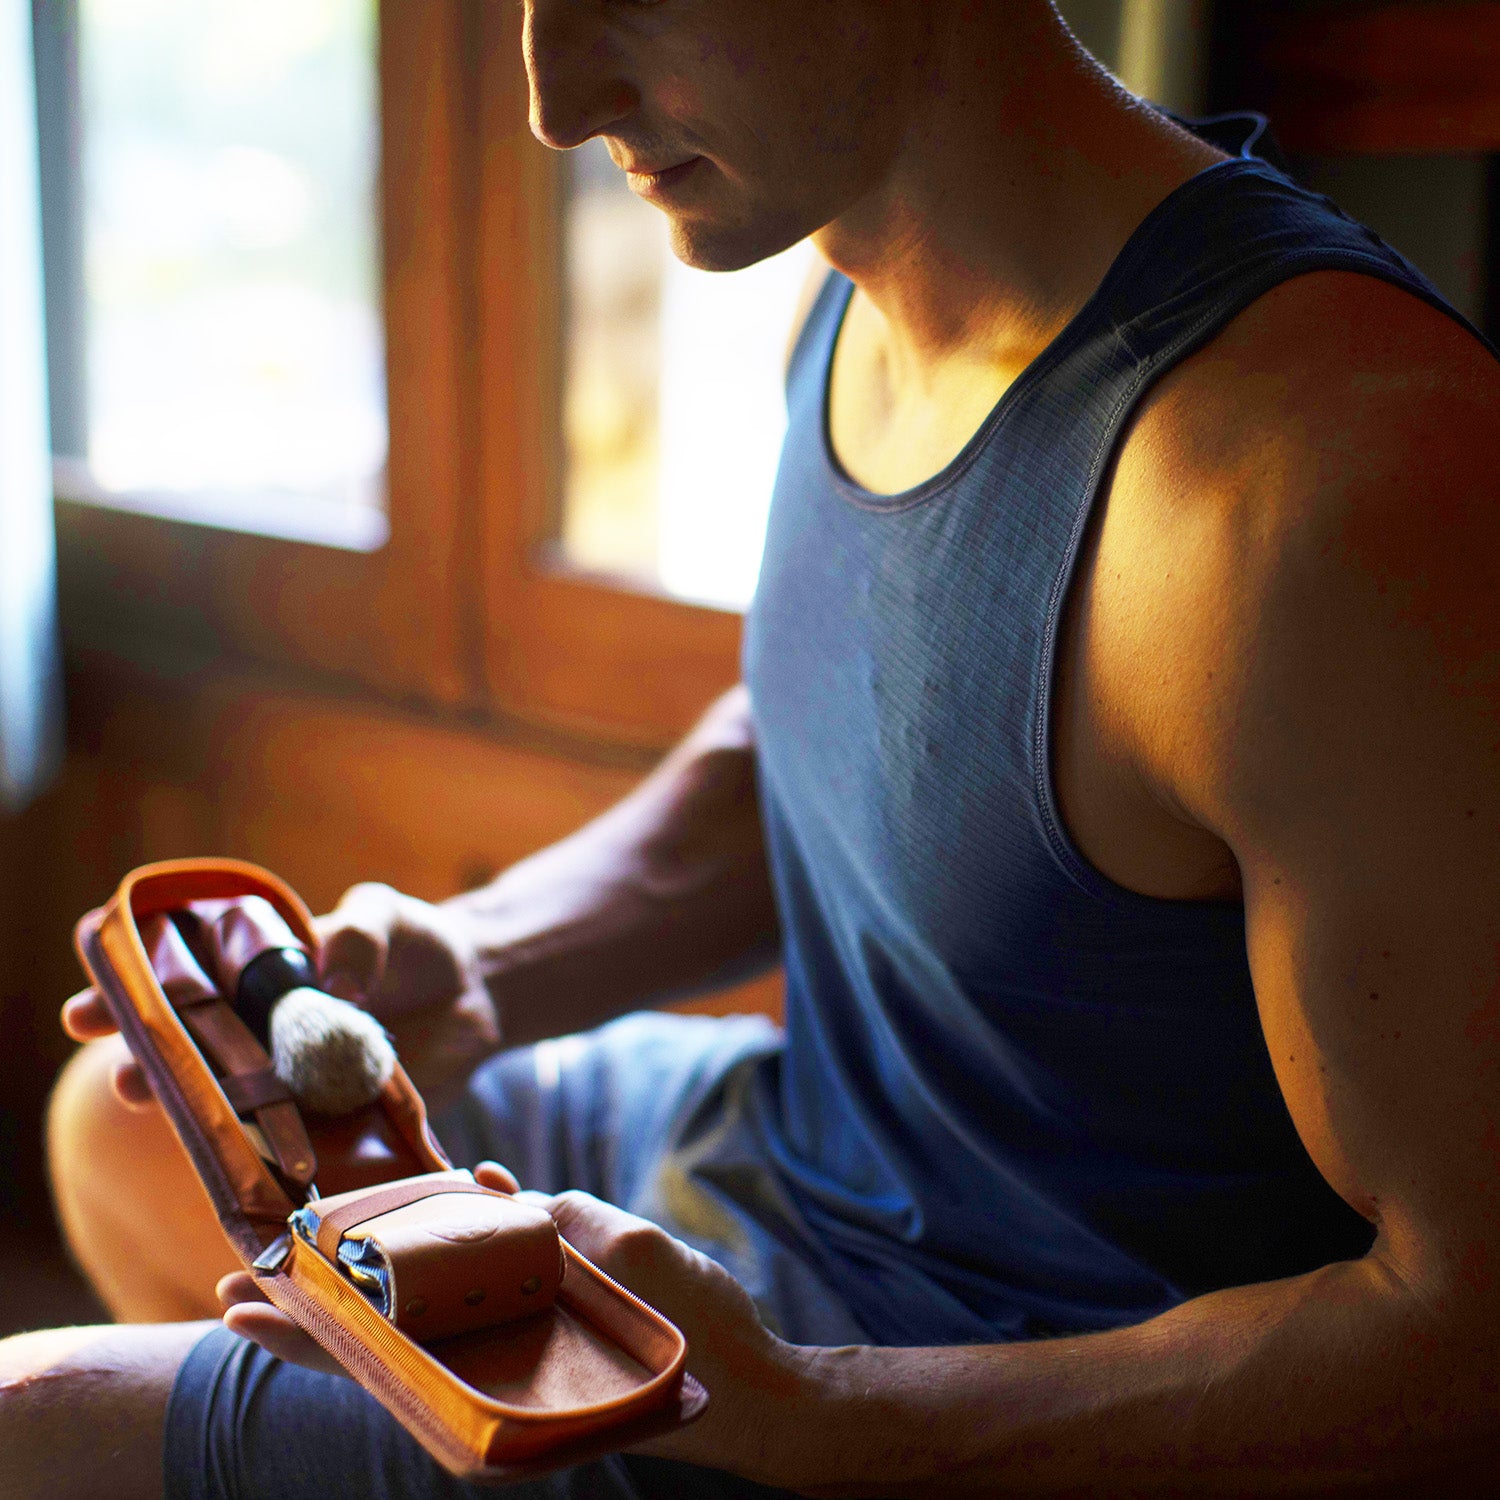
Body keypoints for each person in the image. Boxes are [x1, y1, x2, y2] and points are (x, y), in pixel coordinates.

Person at [8, 0, 1500, 1494]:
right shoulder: (852, 272)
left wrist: (816, 1416)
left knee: (39, 1423)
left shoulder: (1329, 485)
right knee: (123, 1132)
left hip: (976, 1367)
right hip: (799, 1149)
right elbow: (861, 739)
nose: (553, 100)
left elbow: (1465, 1339)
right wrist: (484, 964)